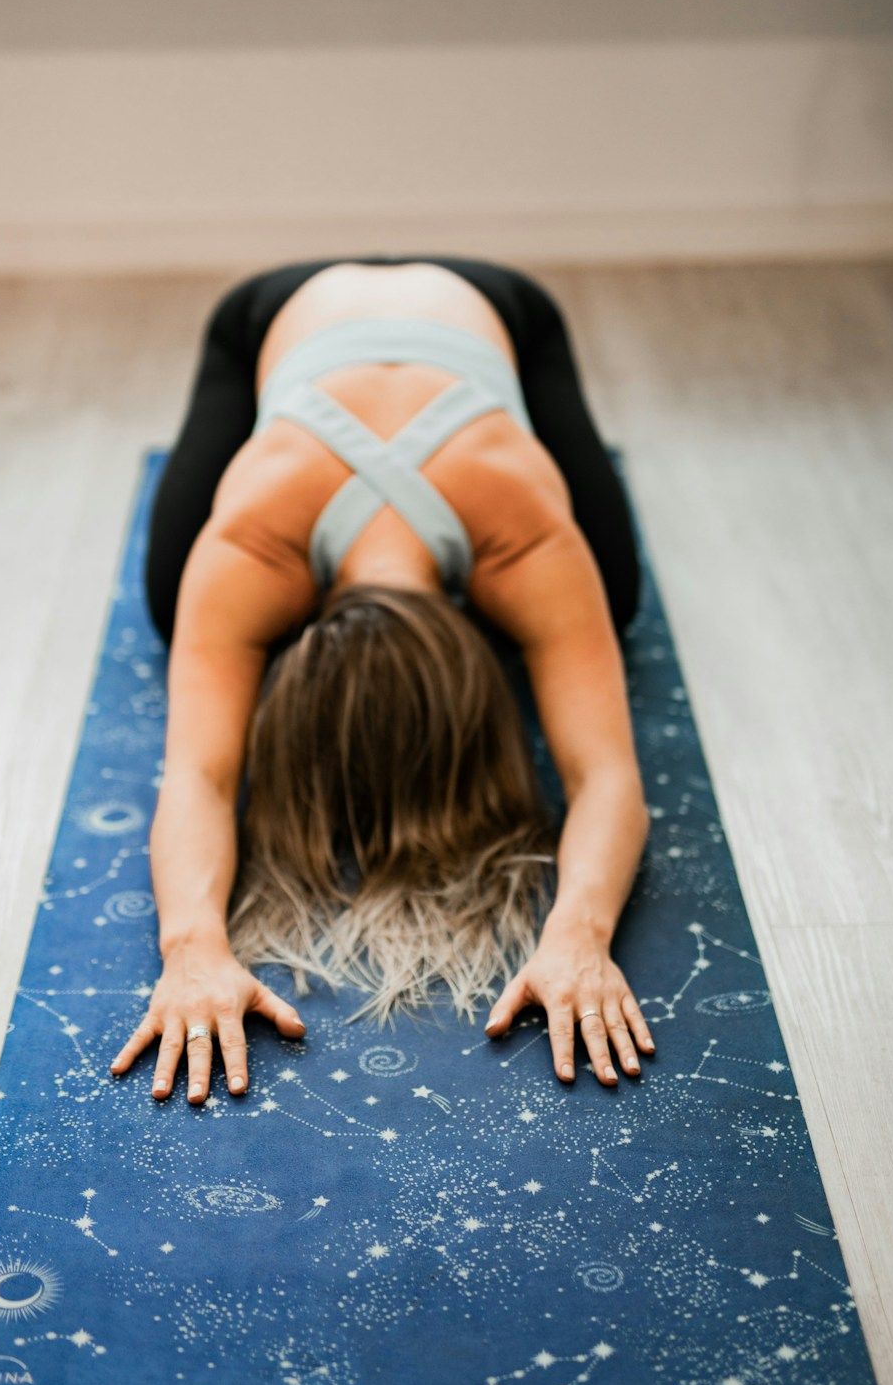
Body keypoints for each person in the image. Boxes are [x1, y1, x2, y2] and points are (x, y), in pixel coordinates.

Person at [108, 255, 655, 1108]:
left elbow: (610, 777)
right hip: (281, 322)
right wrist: (192, 948)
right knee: (171, 600)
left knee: (615, 597)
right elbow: (199, 778)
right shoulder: (251, 544)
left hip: (490, 313)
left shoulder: (525, 535)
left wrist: (580, 934)